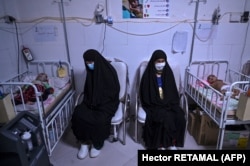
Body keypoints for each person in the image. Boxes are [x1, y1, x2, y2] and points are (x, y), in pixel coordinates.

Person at [71, 49, 120, 159]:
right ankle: (84, 142)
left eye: (91, 62)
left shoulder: (109, 71)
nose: (89, 65)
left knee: (100, 119)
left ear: (97, 60)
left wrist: (99, 103)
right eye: (87, 63)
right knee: (78, 114)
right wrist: (91, 102)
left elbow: (113, 93)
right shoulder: (91, 72)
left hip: (107, 104)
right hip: (90, 102)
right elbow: (88, 91)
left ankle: (97, 144)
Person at [139, 50, 186, 150]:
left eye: (162, 61)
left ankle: (172, 142)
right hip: (154, 104)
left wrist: (167, 102)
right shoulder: (148, 75)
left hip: (169, 103)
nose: (161, 63)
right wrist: (159, 103)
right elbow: (146, 95)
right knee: (164, 116)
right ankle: (162, 144)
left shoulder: (168, 73)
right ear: (154, 62)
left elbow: (173, 92)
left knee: (180, 115)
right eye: (158, 61)